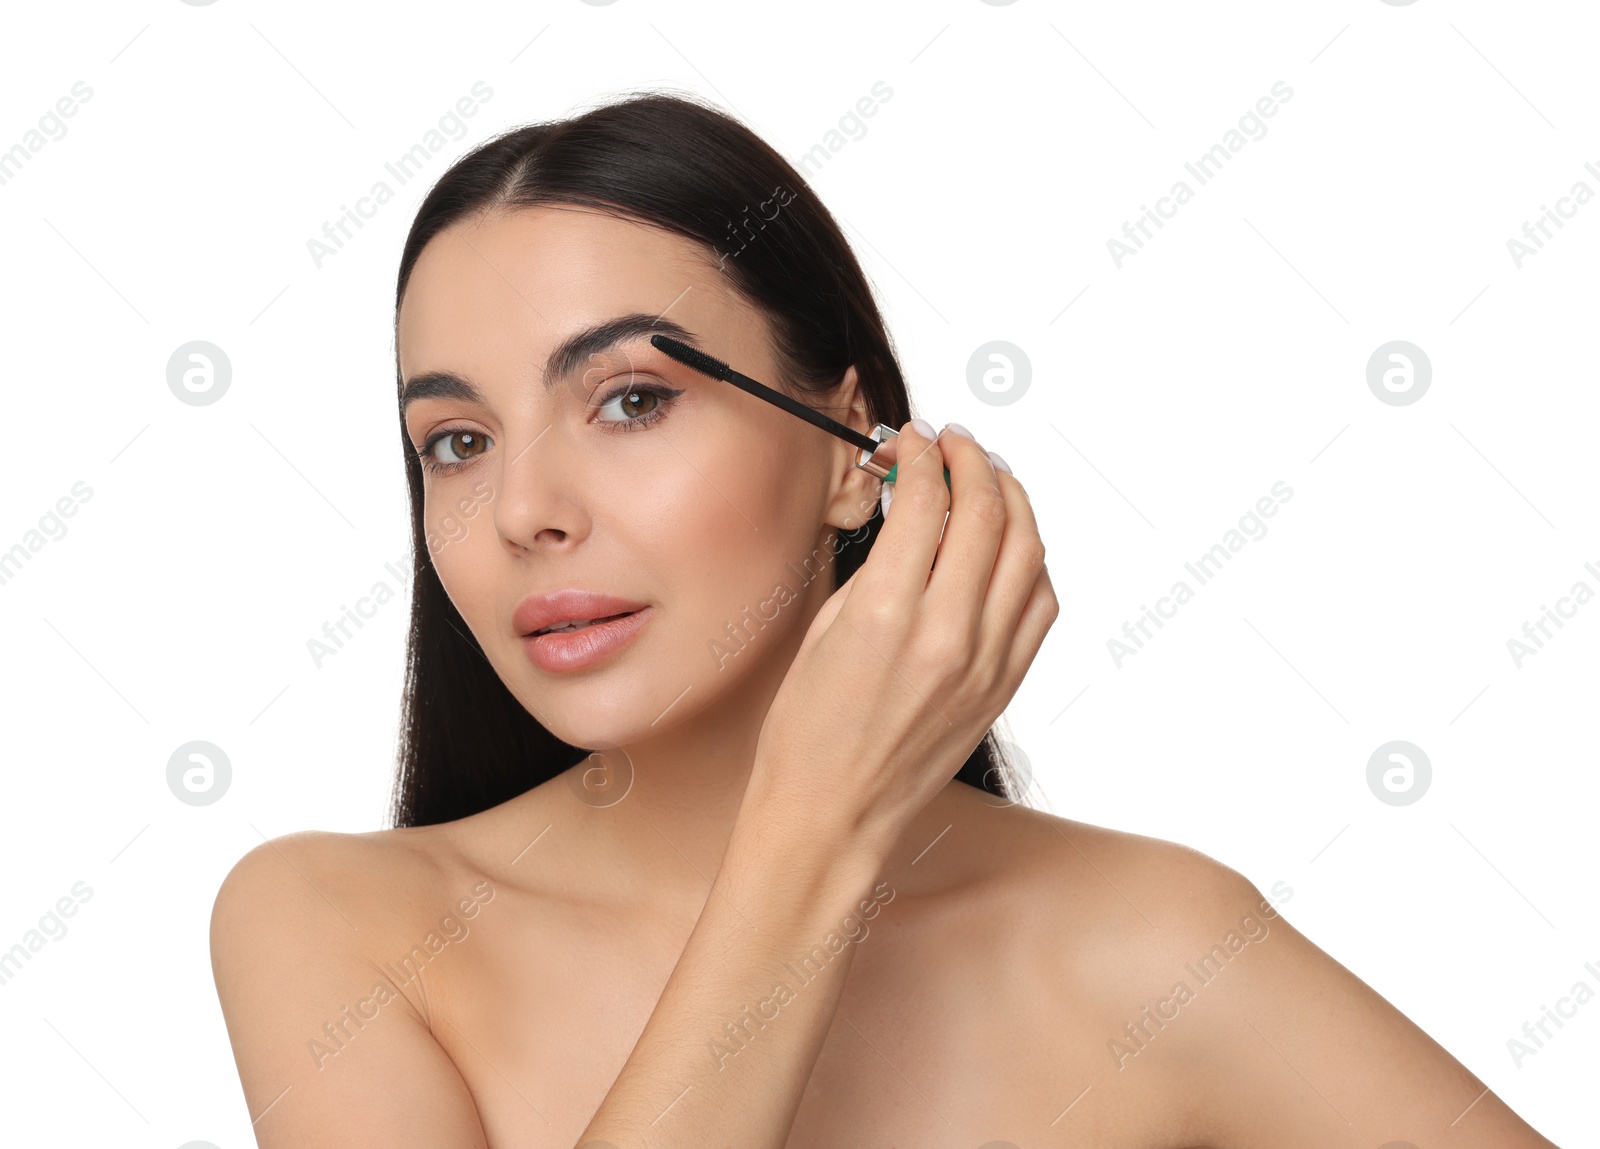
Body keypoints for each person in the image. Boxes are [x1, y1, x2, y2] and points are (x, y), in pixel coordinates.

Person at [210, 90, 1561, 1148]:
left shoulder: (1148, 940)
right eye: (455, 441)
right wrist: (815, 832)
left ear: (855, 446)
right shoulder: (337, 926)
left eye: (630, 399)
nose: (525, 509)